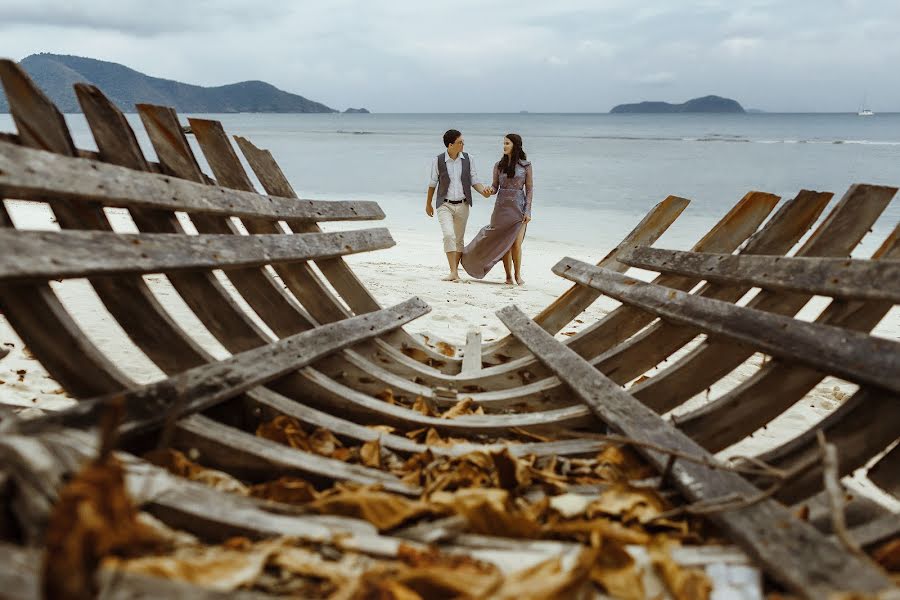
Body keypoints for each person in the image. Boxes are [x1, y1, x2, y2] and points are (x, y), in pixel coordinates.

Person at [460, 134, 532, 285]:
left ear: (515, 145)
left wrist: (528, 211)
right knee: (504, 244)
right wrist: (488, 191)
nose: (504, 146)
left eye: (507, 143)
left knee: (516, 245)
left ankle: (518, 275)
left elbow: (530, 190)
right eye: (503, 143)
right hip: (501, 209)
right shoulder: (498, 166)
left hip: (518, 210)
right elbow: (494, 187)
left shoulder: (526, 166)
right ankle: (508, 277)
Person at [425, 129, 492, 282]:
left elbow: (474, 180)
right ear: (450, 145)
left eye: (463, 142)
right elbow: (432, 183)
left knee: (459, 240)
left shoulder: (469, 159)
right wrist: (428, 203)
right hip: (444, 204)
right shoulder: (438, 160)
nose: (463, 144)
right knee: (449, 235)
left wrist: (484, 192)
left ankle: (454, 273)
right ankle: (453, 271)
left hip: (463, 205)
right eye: (460, 142)